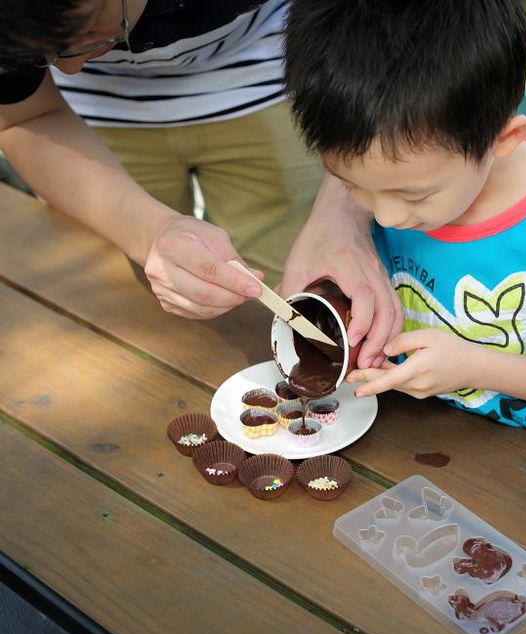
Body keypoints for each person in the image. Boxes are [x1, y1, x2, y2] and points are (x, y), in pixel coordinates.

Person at [283, 0, 526, 452]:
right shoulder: (398, 182)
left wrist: (477, 367)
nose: (385, 218)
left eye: (415, 197)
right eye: (350, 184)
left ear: (503, 140)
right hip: (411, 443)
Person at [0, 0, 399, 368]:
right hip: (78, 126)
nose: (67, 69)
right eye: (43, 53)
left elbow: (382, 31)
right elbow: (23, 116)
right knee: (138, 314)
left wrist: (341, 214)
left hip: (280, 83)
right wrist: (150, 233)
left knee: (306, 284)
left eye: (86, 30)